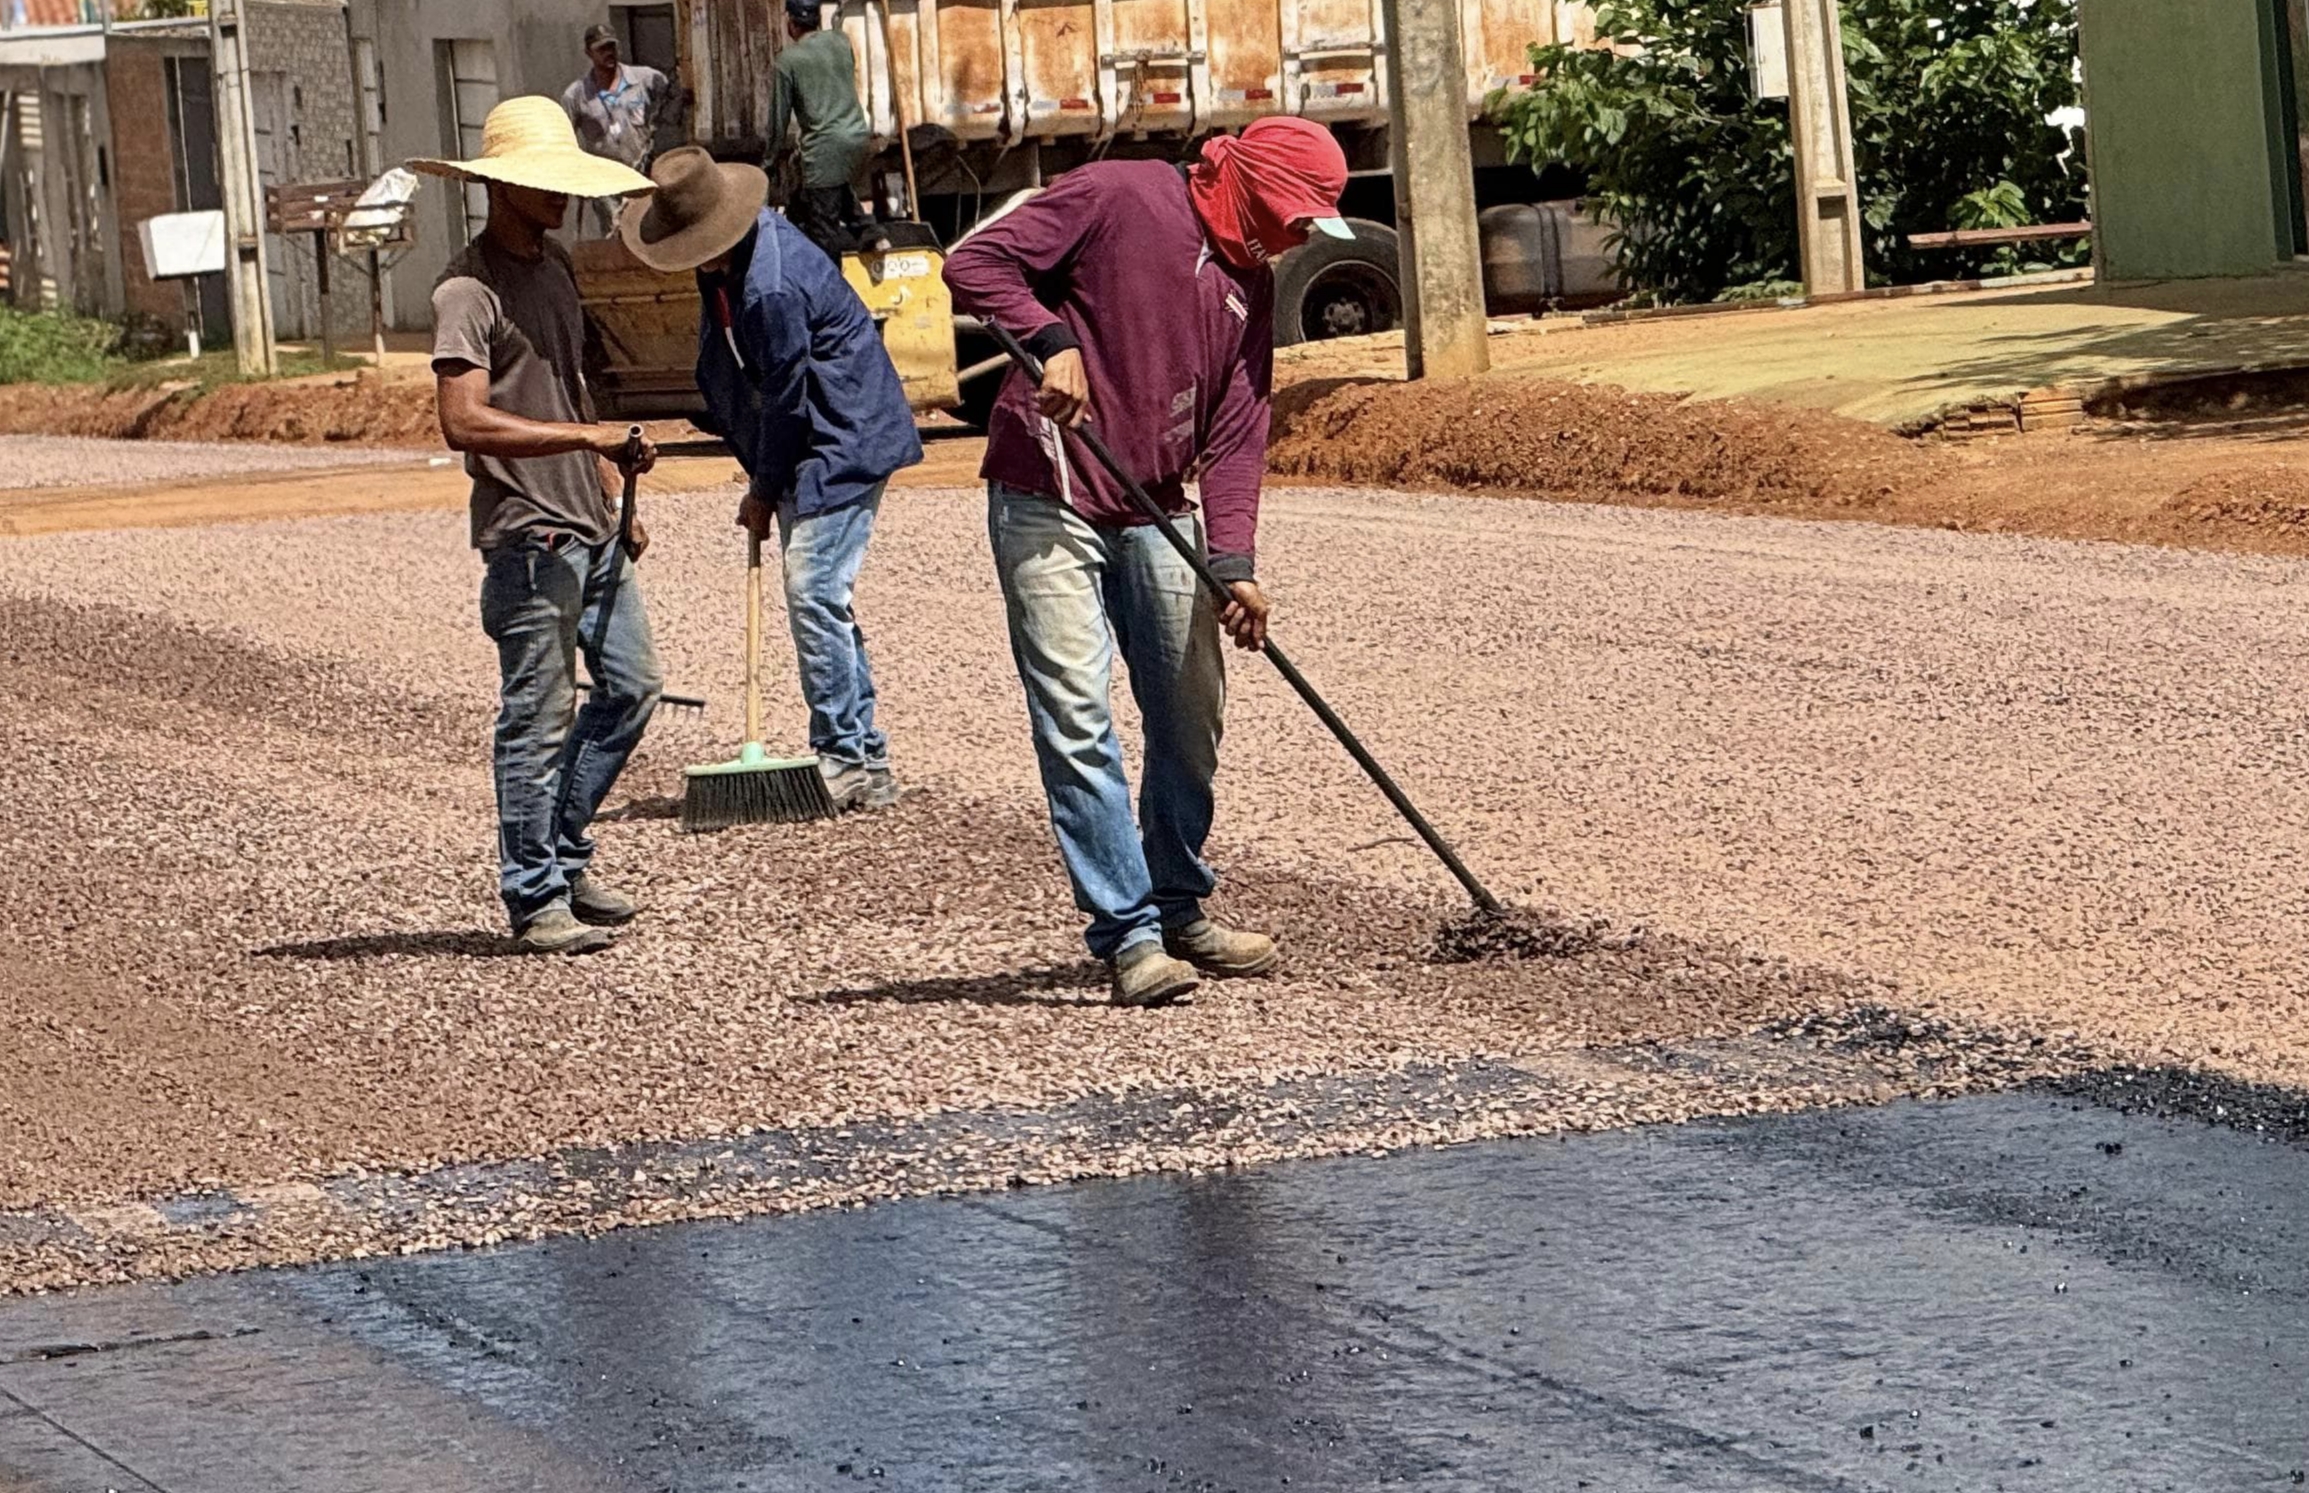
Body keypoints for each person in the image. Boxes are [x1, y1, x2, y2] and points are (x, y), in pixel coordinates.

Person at [942, 118, 1353, 1008]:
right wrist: (1050, 343)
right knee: (1077, 713)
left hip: (1157, 501)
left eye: (1307, 225)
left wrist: (1234, 560)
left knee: (1189, 707)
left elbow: (1241, 429)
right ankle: (1127, 934)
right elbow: (975, 265)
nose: (1295, 237)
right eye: (1289, 216)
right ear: (1235, 181)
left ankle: (1177, 903)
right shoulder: (1119, 194)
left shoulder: (1249, 278)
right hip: (1047, 488)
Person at [411, 97, 665, 955]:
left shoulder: (555, 268)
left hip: (588, 525)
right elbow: (464, 422)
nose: (560, 198)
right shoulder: (464, 291)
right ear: (499, 188)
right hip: (528, 538)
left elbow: (567, 390)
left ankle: (559, 850)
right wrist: (586, 439)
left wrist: (605, 476)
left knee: (632, 689)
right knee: (537, 716)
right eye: (543, 185)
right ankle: (532, 894)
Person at [620, 146, 922, 808]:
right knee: (825, 601)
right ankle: (867, 763)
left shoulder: (772, 286)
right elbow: (734, 377)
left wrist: (763, 486)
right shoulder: (724, 268)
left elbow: (788, 398)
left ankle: (843, 754)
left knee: (814, 590)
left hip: (842, 438)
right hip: (810, 439)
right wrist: (759, 471)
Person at [768, 0, 870, 263]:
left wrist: (768, 161)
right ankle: (873, 232)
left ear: (791, 22)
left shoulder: (787, 60)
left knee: (823, 230)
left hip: (824, 149)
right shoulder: (840, 41)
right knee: (822, 197)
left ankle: (830, 287)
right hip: (858, 138)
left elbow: (778, 120)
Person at [561, 22, 681, 238]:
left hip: (643, 173)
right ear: (589, 52)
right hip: (606, 181)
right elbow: (564, 138)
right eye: (601, 49)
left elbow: (673, 96)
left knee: (651, 230)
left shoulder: (644, 79)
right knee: (616, 232)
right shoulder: (576, 95)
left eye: (612, 47)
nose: (609, 53)